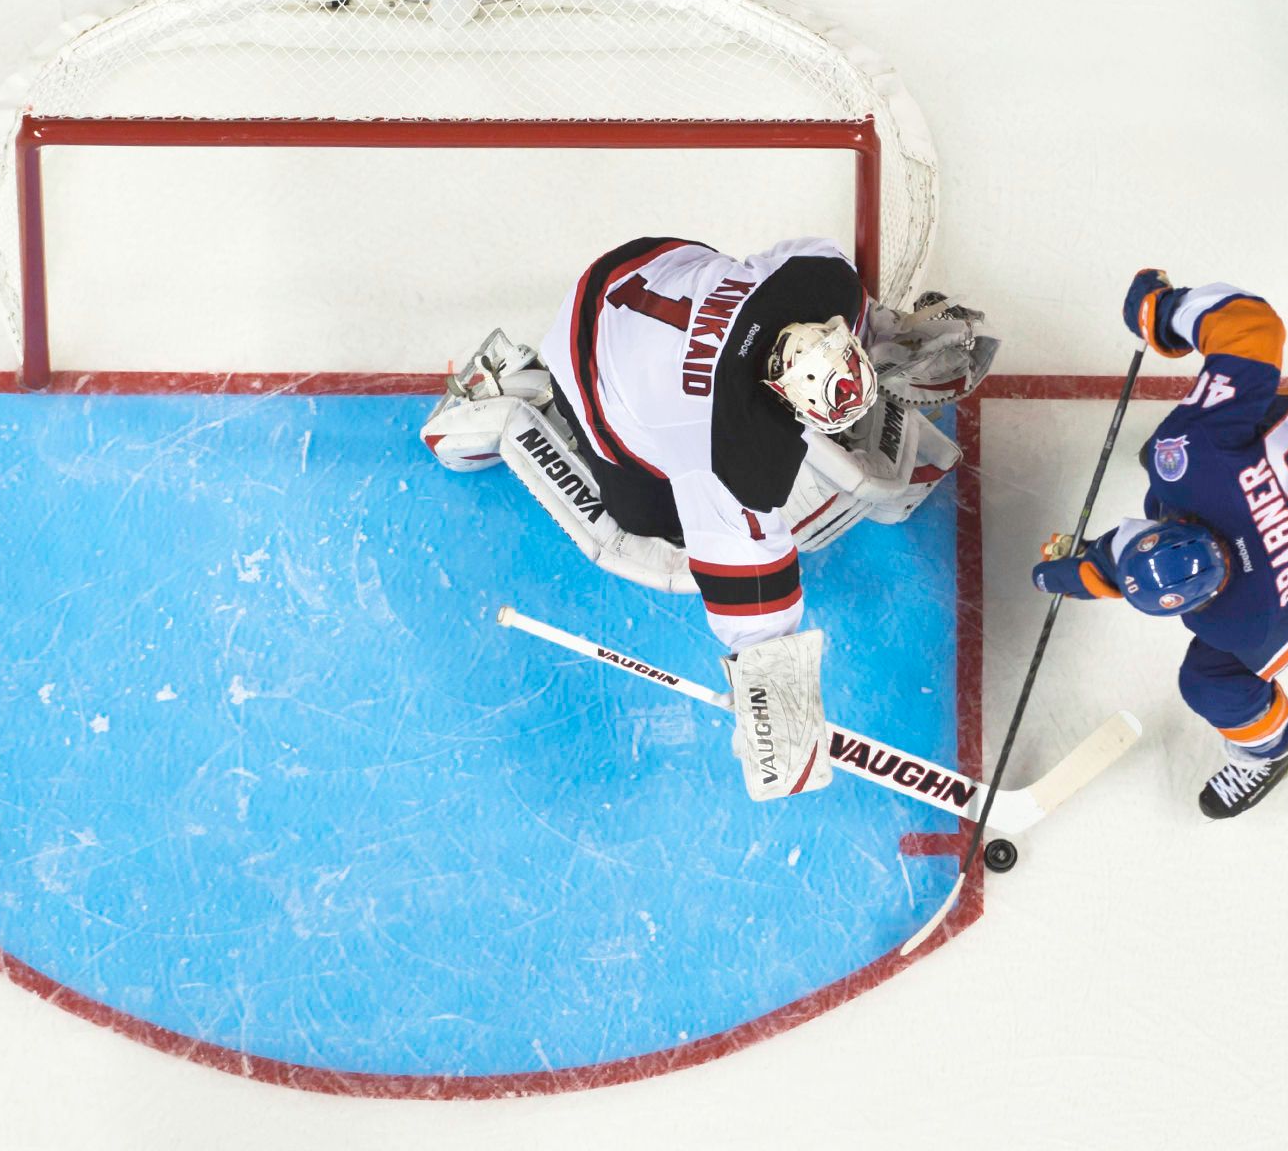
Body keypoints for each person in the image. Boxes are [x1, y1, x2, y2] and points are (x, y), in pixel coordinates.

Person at [421, 236, 997, 801]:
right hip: (589, 356)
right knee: (649, 524)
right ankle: (514, 389)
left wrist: (878, 332)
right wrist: (773, 707)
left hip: (640, 270)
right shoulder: (713, 457)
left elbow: (812, 286)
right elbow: (752, 601)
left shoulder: (822, 277)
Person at [1032, 270, 1288, 818]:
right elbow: (1252, 326)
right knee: (1164, 464)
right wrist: (1163, 312)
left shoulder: (1250, 613)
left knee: (1215, 681)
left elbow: (1252, 330)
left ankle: (1273, 751)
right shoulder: (1194, 455)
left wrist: (1083, 572)